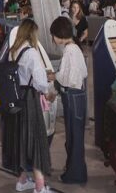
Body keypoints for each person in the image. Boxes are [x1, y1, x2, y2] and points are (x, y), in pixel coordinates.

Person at [2, 19, 52, 193]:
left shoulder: (12, 51)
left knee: (21, 139)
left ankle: (22, 181)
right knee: (35, 140)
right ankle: (40, 187)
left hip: (15, 98)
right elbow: (40, 82)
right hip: (29, 99)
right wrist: (47, 91)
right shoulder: (31, 53)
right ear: (32, 33)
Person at [47, 17, 88, 184]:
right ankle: (75, 170)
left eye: (53, 35)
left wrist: (54, 76)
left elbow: (68, 78)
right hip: (77, 96)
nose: (53, 39)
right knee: (74, 137)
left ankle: (74, 174)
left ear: (59, 34)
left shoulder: (70, 50)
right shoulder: (74, 48)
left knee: (74, 138)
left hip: (73, 96)